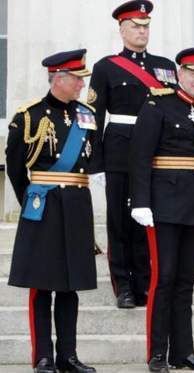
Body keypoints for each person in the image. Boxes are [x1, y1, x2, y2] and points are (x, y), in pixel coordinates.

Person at [129, 48, 194, 373]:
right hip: (163, 205)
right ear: (180, 74)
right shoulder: (158, 104)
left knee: (186, 280)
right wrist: (140, 201)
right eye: (193, 73)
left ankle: (183, 352)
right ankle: (158, 353)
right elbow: (140, 155)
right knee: (164, 278)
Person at [6, 49, 98, 373]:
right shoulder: (29, 116)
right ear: (59, 78)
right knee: (41, 286)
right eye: (77, 80)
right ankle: (43, 356)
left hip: (76, 207)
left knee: (70, 287)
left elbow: (94, 159)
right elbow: (16, 170)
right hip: (42, 208)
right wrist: (32, 202)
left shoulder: (87, 115)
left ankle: (68, 356)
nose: (80, 86)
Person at [89, 0, 178, 308]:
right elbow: (93, 117)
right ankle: (123, 285)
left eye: (146, 26)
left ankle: (144, 282)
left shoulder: (165, 67)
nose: (142, 31)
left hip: (157, 153)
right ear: (122, 29)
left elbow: (174, 110)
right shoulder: (105, 67)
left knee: (148, 219)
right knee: (120, 220)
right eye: (135, 26)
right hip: (120, 150)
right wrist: (95, 163)